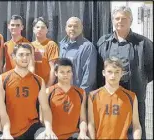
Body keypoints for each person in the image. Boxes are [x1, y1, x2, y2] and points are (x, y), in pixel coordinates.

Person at [96, 6, 153, 138]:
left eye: (124, 18)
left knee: (136, 130)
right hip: (110, 95)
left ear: (131, 21)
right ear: (112, 21)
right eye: (117, 18)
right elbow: (99, 68)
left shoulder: (143, 43)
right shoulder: (103, 42)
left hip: (134, 93)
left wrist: (141, 79)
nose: (120, 21)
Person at [0, 43, 57, 139]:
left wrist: (49, 128)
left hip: (32, 127)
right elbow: (1, 110)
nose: (25, 58)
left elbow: (45, 108)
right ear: (13, 56)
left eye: (28, 54)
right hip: (11, 129)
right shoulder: (3, 79)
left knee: (49, 138)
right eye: (21, 55)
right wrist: (6, 131)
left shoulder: (38, 80)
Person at [88, 57, 142, 139]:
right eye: (110, 72)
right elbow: (91, 124)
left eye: (117, 72)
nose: (113, 76)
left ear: (122, 73)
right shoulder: (93, 96)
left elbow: (136, 125)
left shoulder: (131, 97)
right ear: (103, 73)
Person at [43, 58, 89, 139]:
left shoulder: (81, 93)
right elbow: (42, 118)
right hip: (53, 136)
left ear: (72, 73)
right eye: (62, 72)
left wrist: (82, 133)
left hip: (73, 135)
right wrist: (49, 130)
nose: (65, 75)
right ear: (56, 73)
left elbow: (83, 119)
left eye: (68, 71)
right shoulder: (48, 92)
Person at [59, 17, 97, 93]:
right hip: (63, 92)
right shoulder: (62, 45)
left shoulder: (87, 47)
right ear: (65, 28)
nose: (72, 29)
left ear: (81, 28)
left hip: (78, 94)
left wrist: (81, 94)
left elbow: (89, 75)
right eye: (70, 26)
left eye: (76, 26)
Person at [31, 17, 59, 87]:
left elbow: (53, 68)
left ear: (47, 30)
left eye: (43, 27)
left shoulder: (51, 45)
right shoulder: (30, 45)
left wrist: (48, 86)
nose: (39, 29)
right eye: (37, 27)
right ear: (33, 29)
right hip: (33, 85)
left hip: (46, 85)